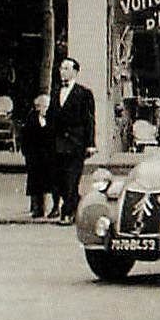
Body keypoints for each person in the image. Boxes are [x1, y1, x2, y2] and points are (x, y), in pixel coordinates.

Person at [48, 57, 96, 222]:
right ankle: (77, 204)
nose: (63, 72)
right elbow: (51, 117)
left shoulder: (83, 93)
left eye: (67, 69)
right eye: (61, 68)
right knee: (59, 179)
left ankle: (66, 212)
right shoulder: (55, 92)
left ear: (75, 72)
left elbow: (89, 120)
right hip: (58, 143)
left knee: (72, 178)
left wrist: (90, 144)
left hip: (76, 142)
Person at [20, 92, 55, 219]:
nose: (46, 109)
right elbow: (25, 138)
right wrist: (27, 153)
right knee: (34, 182)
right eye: (44, 106)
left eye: (48, 106)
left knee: (47, 182)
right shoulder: (31, 120)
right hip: (34, 156)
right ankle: (36, 208)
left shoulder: (51, 119)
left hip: (47, 156)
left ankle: (47, 207)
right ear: (38, 107)